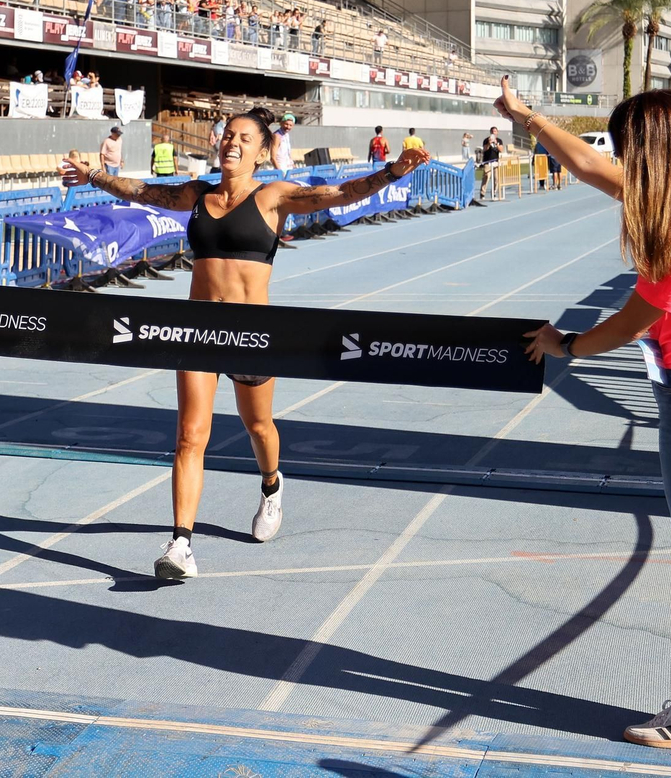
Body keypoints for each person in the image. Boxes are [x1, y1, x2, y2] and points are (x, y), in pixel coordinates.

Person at [501, 75, 671, 753]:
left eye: (630, 149)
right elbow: (591, 164)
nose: (620, 159)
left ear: (652, 154)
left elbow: (630, 322)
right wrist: (528, 118)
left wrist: (563, 343)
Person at [58, 109, 431, 578]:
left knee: (257, 427)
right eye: (227, 135)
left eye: (244, 138)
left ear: (261, 150)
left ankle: (272, 485)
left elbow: (339, 192)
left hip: (252, 336)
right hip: (196, 331)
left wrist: (392, 171)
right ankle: (181, 545)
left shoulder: (274, 197)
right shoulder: (198, 194)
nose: (231, 143)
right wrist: (92, 174)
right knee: (190, 437)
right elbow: (139, 190)